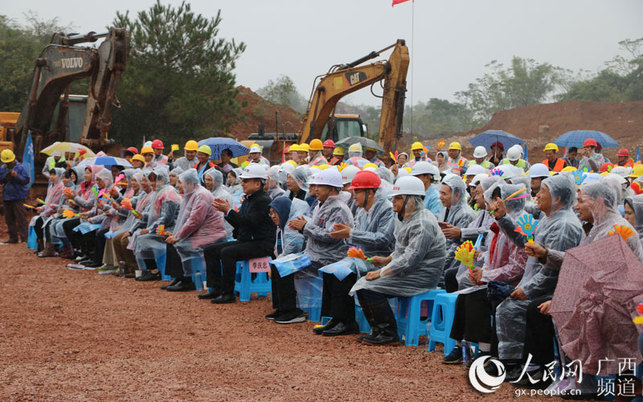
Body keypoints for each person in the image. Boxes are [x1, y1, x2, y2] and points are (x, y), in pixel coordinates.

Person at [491, 173, 583, 380]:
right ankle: (509, 360)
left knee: (510, 308)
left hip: (552, 290)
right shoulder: (548, 219)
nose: (537, 194)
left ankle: (522, 365)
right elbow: (527, 244)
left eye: (543, 190)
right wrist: (502, 218)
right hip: (536, 283)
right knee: (500, 300)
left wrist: (528, 289)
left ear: (558, 198)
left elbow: (553, 271)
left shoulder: (564, 225)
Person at [351, 176, 447, 345]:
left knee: (368, 286)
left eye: (398, 198)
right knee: (363, 283)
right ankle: (378, 330)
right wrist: (386, 259)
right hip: (410, 271)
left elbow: (410, 259)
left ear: (411, 200)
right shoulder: (408, 217)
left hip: (422, 275)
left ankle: (388, 333)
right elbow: (402, 250)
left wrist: (381, 272)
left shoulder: (422, 222)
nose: (393, 202)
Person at [443, 182, 528, 364]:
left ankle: (484, 349)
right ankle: (460, 344)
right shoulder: (499, 224)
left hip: (515, 283)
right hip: (498, 277)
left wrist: (486, 276)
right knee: (465, 291)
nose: (486, 206)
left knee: (476, 294)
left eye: (488, 201)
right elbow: (492, 256)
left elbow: (518, 268)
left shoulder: (519, 225)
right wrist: (478, 259)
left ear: (499, 201)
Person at [315, 170, 395, 336]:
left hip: (378, 258)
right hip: (361, 256)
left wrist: (350, 233)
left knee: (343, 272)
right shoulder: (362, 209)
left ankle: (347, 321)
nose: (354, 195)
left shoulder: (386, 209)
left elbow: (383, 239)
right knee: (331, 270)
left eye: (357, 191)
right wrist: (343, 235)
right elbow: (356, 236)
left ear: (370, 193)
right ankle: (335, 317)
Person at [282, 168, 354, 324]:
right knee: (279, 264)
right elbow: (316, 232)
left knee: (285, 268)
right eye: (314, 185)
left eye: (319, 186)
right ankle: (284, 309)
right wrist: (301, 228)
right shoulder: (320, 204)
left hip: (329, 256)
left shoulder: (338, 208)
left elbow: (331, 236)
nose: (315, 189)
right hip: (315, 252)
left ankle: (293, 311)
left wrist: (305, 227)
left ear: (332, 188)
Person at [201, 164, 276, 303]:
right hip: (248, 240)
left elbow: (249, 222)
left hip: (260, 243)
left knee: (227, 252)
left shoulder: (263, 200)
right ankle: (215, 288)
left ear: (257, 183)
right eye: (242, 180)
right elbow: (241, 223)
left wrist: (229, 211)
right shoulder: (249, 198)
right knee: (210, 250)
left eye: (246, 181)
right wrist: (226, 212)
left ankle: (228, 293)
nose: (242, 183)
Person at [163, 169, 227, 291]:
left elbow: (194, 221)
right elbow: (184, 218)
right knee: (170, 242)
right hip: (199, 233)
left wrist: (178, 236)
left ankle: (187, 281)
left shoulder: (201, 195)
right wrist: (175, 233)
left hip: (211, 235)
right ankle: (178, 277)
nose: (178, 186)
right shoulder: (191, 194)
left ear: (191, 183)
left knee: (178, 244)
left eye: (181, 183)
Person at [441, 175, 503, 292]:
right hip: (477, 258)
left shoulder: (467, 214)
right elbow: (471, 230)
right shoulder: (482, 212)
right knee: (451, 274)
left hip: (484, 262)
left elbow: (486, 230)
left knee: (452, 275)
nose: (475, 198)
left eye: (479, 194)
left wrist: (460, 232)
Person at [264, 196, 308, 322]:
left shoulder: (290, 226)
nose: (272, 216)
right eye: (270, 213)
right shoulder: (282, 226)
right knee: (277, 264)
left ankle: (292, 311)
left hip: (308, 257)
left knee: (281, 266)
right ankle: (281, 308)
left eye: (275, 213)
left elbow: (292, 250)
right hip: (299, 257)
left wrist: (276, 262)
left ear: (283, 211)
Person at [133, 167, 182, 281]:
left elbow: (167, 218)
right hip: (161, 226)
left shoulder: (169, 193)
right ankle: (150, 270)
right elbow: (155, 215)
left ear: (163, 179)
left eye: (155, 180)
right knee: (139, 236)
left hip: (171, 228)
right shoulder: (159, 191)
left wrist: (150, 229)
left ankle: (154, 271)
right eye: (151, 180)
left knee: (143, 238)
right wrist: (143, 216)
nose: (152, 183)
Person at [438, 174, 476, 272]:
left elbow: (456, 248)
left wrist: (438, 265)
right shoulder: (446, 208)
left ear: (457, 195)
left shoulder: (465, 214)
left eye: (444, 194)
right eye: (440, 193)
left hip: (455, 265)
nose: (440, 197)